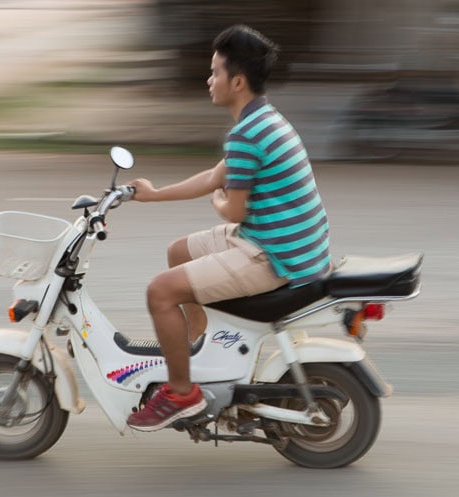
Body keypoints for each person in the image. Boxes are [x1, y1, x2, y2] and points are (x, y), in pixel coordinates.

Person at [126, 25, 331, 432]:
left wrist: (220, 201)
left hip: (275, 257)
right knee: (178, 252)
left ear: (237, 81)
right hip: (281, 243)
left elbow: (232, 211)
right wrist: (152, 194)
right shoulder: (264, 120)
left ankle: (182, 393)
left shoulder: (247, 135)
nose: (209, 80)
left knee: (160, 291)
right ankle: (201, 357)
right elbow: (213, 176)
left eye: (215, 72)